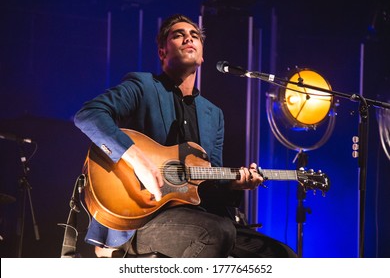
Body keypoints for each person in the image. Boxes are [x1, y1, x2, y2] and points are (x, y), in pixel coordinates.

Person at [74, 13, 297, 258]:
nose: (187, 39)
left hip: (197, 218)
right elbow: (88, 115)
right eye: (178, 35)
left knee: (282, 254)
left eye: (194, 36)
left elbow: (210, 186)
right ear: (162, 52)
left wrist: (236, 184)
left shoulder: (214, 115)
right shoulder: (142, 86)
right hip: (138, 219)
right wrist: (140, 162)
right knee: (216, 232)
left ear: (201, 56)